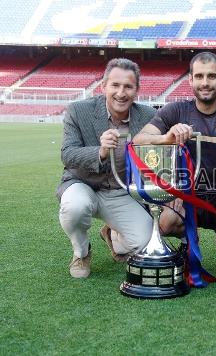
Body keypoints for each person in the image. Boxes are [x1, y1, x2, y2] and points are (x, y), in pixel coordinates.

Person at [133, 51, 216, 269]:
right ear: (190, 80)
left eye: (211, 76)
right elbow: (138, 140)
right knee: (166, 223)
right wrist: (167, 136)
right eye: (199, 76)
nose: (205, 82)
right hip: (183, 189)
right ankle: (186, 241)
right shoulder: (175, 110)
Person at [58, 58, 156, 278]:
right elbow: (67, 154)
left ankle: (113, 236)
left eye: (128, 87)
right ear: (104, 86)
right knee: (74, 207)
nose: (121, 93)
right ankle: (81, 252)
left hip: (120, 192)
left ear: (136, 90)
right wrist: (100, 152)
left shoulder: (148, 116)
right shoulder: (78, 110)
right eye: (115, 85)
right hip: (83, 184)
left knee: (145, 244)